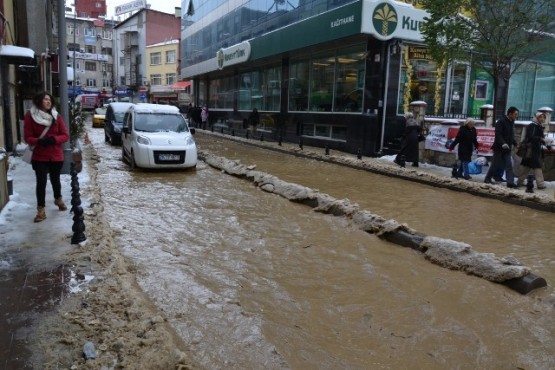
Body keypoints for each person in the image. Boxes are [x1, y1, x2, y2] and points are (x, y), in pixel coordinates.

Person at [23, 91, 70, 223]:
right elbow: (27, 137)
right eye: (45, 99)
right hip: (40, 156)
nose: (48, 102)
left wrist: (53, 139)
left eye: (49, 99)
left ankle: (58, 198)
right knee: (41, 182)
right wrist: (39, 141)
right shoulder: (30, 116)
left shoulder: (56, 116)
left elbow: (65, 135)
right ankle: (41, 209)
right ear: (39, 101)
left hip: (55, 154)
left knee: (55, 179)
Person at [484, 106, 519, 188]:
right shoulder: (501, 121)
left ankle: (510, 182)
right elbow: (498, 134)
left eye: (517, 114)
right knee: (495, 165)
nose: (516, 116)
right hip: (499, 148)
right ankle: (487, 178)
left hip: (507, 148)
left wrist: (515, 143)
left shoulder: (512, 122)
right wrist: (503, 143)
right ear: (510, 114)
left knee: (509, 165)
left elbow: (510, 136)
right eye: (515, 114)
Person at [516, 112, 548, 189]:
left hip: (534, 149)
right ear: (537, 118)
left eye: (544, 117)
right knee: (537, 166)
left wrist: (544, 140)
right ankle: (540, 184)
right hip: (531, 149)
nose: (542, 119)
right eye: (540, 117)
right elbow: (531, 137)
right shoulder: (533, 126)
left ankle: (519, 181)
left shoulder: (538, 126)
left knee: (527, 166)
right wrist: (541, 139)